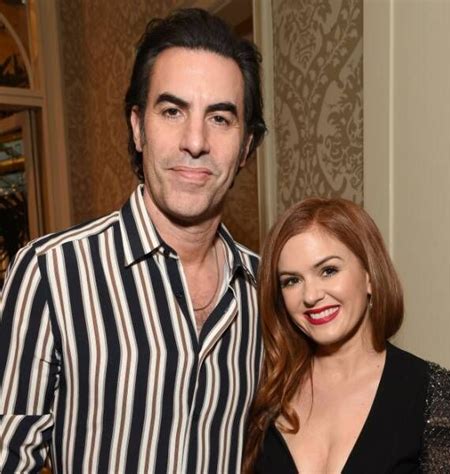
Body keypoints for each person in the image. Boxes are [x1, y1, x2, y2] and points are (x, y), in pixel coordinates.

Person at [0, 8, 266, 473]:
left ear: (245, 146)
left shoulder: (267, 288)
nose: (195, 141)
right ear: (139, 127)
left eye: (221, 118)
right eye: (172, 111)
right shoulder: (51, 273)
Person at [244, 198, 450, 473]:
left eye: (328, 271)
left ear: (369, 276)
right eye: (292, 280)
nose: (311, 295)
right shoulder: (264, 390)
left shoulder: (440, 398)